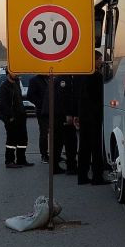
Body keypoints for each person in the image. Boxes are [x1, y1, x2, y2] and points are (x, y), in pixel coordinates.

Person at [74, 51, 108, 185]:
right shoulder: (97, 77)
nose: (101, 62)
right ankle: (97, 177)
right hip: (94, 116)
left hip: (83, 115)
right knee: (96, 147)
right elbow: (100, 97)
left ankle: (82, 176)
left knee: (83, 147)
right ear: (94, 61)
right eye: (99, 59)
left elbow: (76, 96)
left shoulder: (80, 75)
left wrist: (77, 114)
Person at [0, 69, 33, 168]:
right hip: (11, 118)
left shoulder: (16, 84)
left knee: (23, 140)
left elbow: (19, 100)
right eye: (14, 72)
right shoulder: (4, 88)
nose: (17, 74)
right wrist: (10, 117)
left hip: (21, 117)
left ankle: (21, 159)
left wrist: (23, 113)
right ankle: (9, 161)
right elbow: (3, 105)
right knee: (12, 141)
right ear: (8, 74)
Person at [50, 74, 77, 174]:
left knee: (59, 142)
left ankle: (56, 166)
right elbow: (64, 98)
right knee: (69, 142)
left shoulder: (62, 78)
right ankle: (70, 167)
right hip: (62, 116)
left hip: (58, 115)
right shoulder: (64, 79)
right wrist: (68, 114)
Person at [26, 74, 50, 163]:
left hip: (54, 110)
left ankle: (55, 154)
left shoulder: (51, 78)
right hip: (42, 111)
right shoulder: (34, 80)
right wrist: (41, 104)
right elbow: (30, 96)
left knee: (56, 133)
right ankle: (44, 155)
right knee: (44, 133)